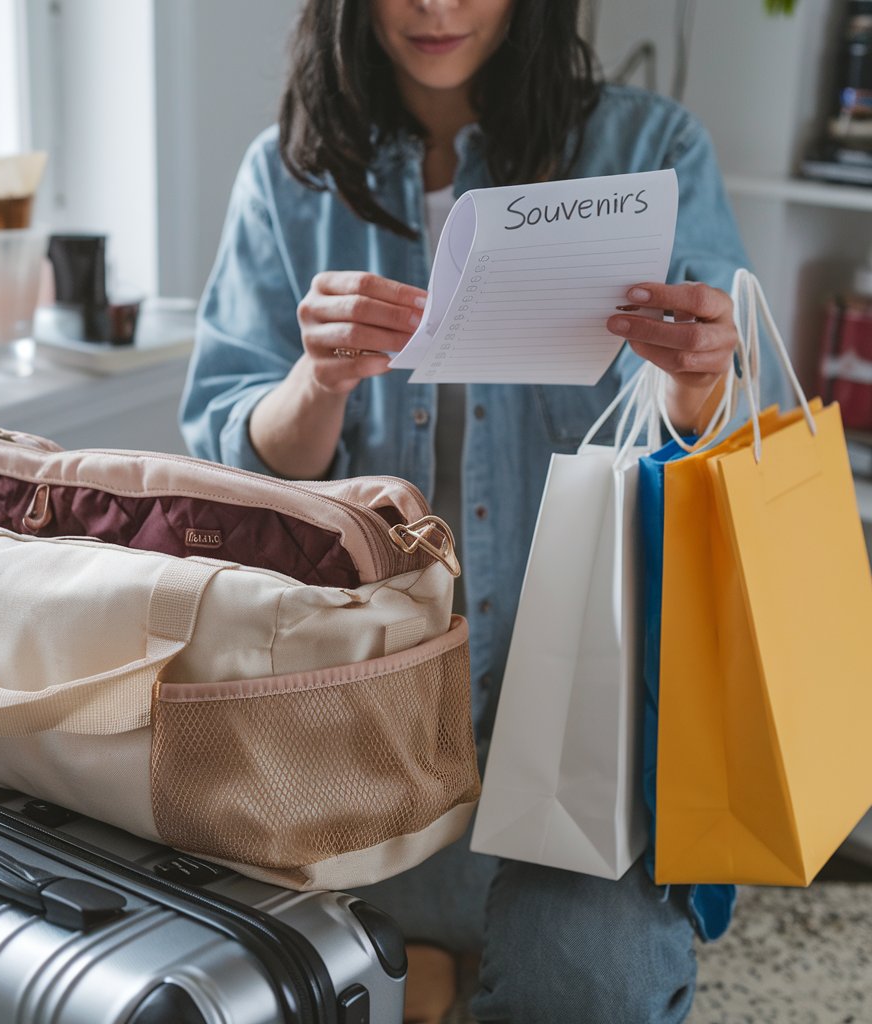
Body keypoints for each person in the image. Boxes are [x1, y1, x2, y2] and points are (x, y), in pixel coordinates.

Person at [180, 1, 788, 1020]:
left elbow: (726, 450)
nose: (435, 5)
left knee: (593, 987)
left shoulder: (647, 148)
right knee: (246, 973)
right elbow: (229, 445)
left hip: (591, 708)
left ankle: (433, 954)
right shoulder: (287, 174)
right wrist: (318, 382)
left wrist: (696, 383)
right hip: (359, 708)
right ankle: (429, 952)